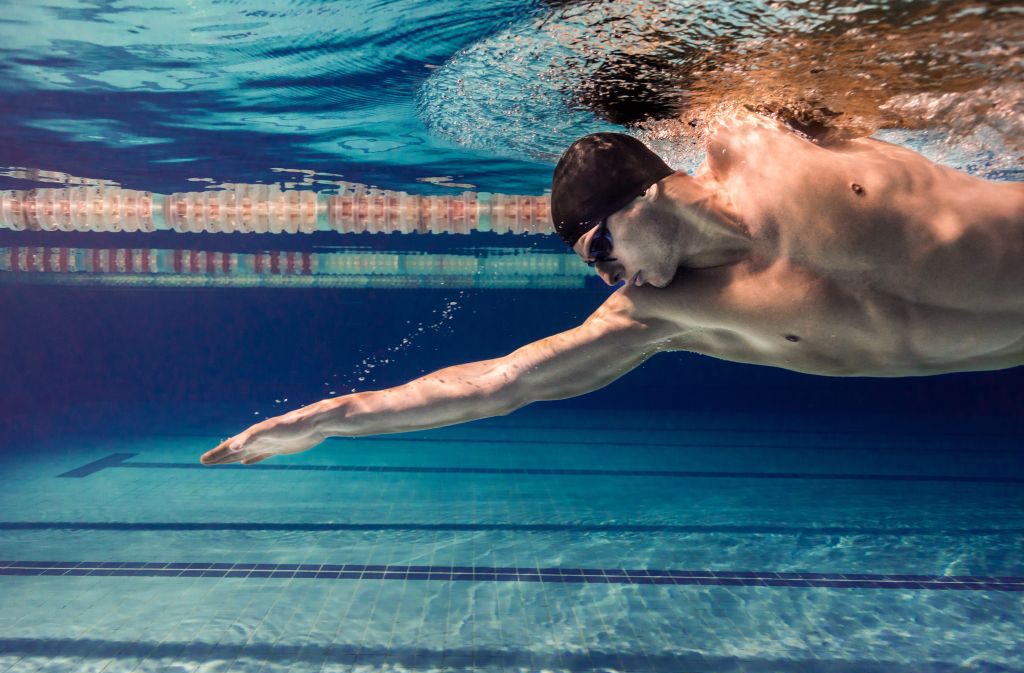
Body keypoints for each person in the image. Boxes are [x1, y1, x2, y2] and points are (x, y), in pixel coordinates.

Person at [200, 112, 1023, 466]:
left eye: (600, 248)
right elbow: (501, 383)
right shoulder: (659, 312)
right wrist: (335, 417)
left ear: (647, 198)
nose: (604, 276)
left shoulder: (766, 152)